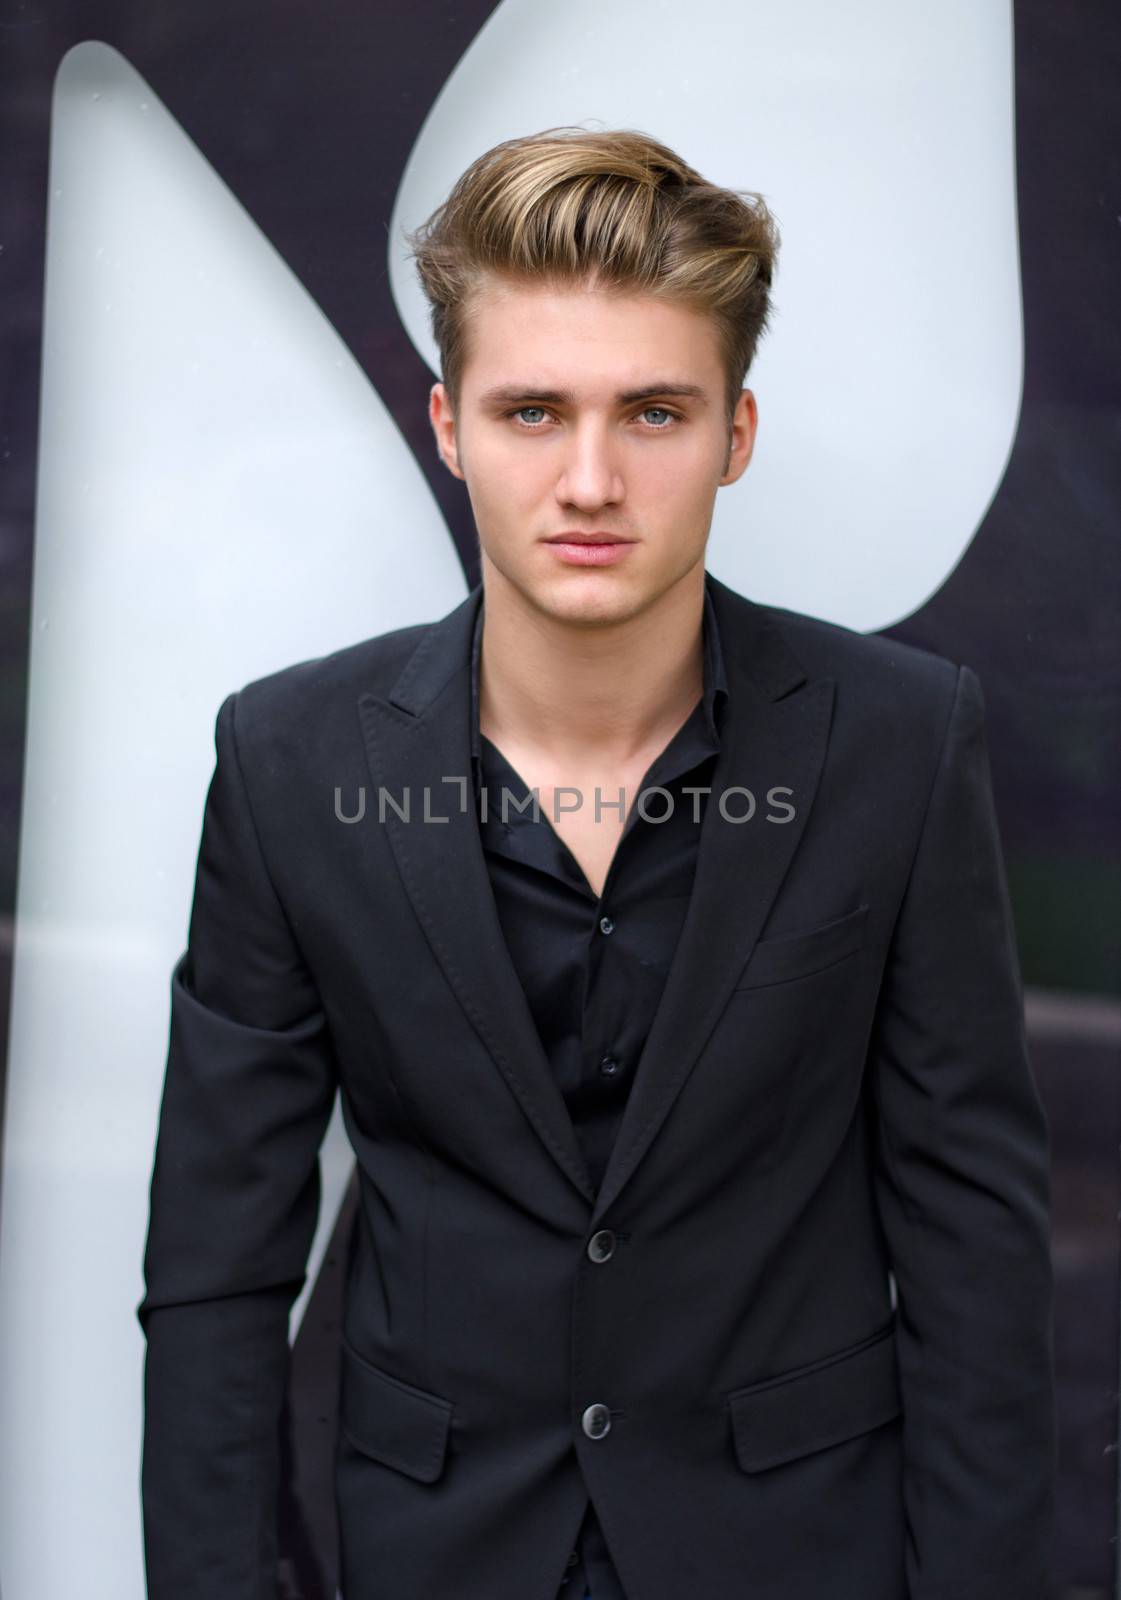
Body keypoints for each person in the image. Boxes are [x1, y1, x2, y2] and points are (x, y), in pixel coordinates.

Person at [137, 126, 1056, 1600]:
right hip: (433, 1550)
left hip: (795, 1547)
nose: (586, 479)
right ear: (446, 427)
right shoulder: (289, 760)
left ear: (733, 435)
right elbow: (215, 1270)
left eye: (650, 413)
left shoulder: (897, 743)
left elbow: (975, 1244)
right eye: (528, 412)